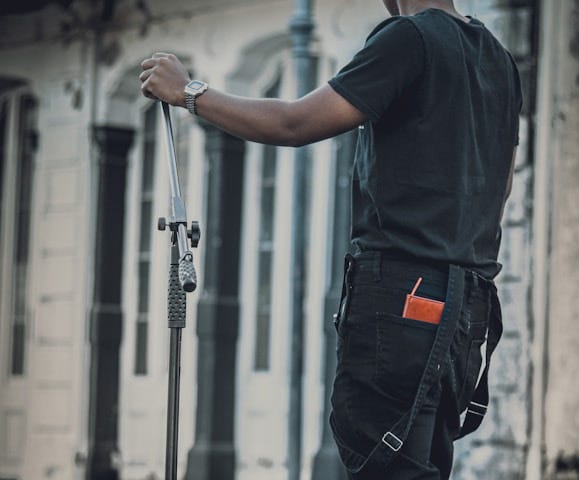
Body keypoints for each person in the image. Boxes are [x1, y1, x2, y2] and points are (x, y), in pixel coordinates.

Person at [140, 0, 522, 478]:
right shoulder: (499, 59)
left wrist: (189, 92)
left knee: (383, 465)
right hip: (467, 309)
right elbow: (501, 187)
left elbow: (295, 123)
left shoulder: (408, 39)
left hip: (403, 298)